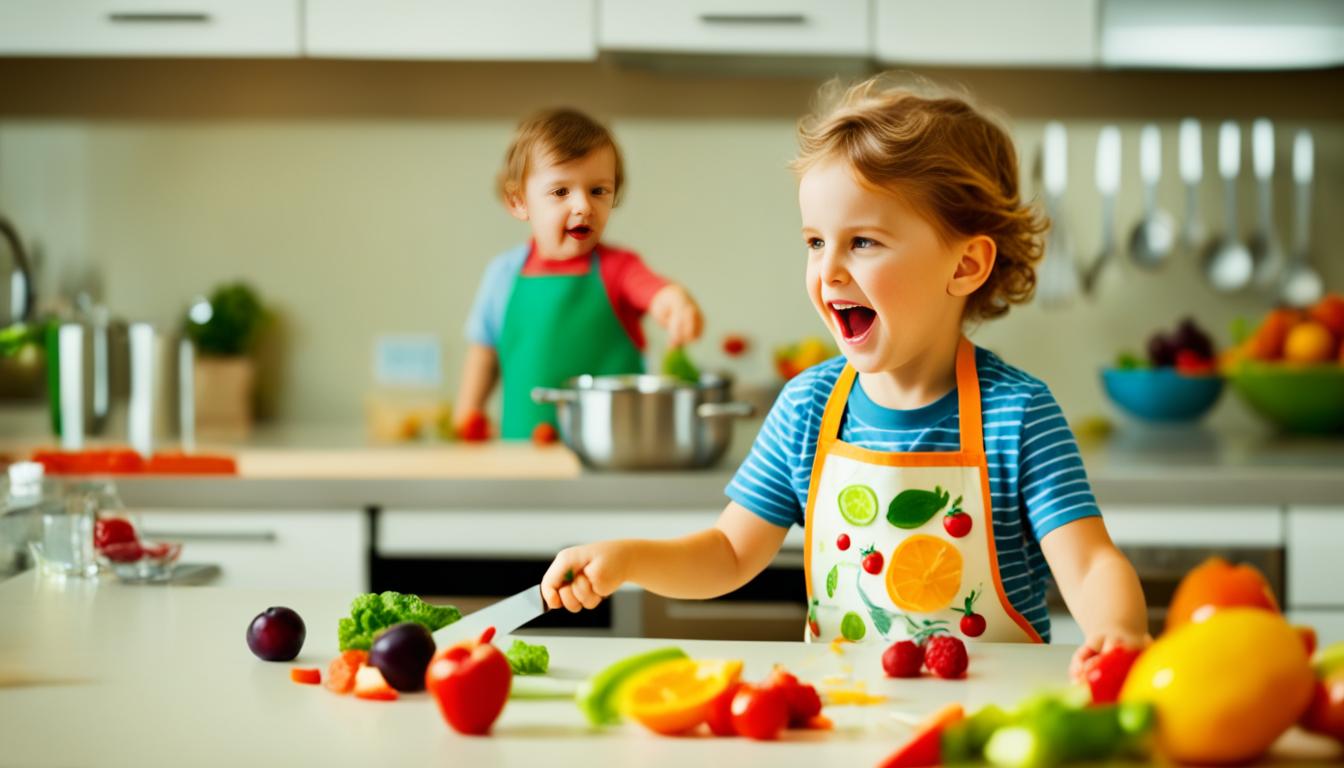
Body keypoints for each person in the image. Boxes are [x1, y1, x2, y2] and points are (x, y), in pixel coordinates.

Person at [540, 77, 1149, 675]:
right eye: (814, 242)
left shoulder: (1018, 415)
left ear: (965, 264)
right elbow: (728, 553)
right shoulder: (807, 406)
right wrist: (627, 561)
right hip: (845, 720)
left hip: (983, 719)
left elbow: (1090, 563)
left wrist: (1118, 630)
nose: (827, 270)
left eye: (862, 242)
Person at [455, 108, 703, 439]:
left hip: (613, 461)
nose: (583, 206)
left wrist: (675, 301)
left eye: (598, 191)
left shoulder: (620, 269)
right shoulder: (502, 274)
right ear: (518, 201)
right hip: (522, 456)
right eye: (561, 192)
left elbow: (656, 292)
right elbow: (483, 352)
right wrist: (467, 413)